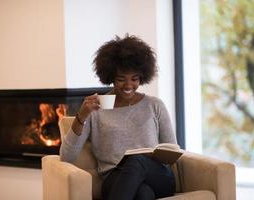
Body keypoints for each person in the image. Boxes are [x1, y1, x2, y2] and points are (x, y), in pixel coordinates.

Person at [60, 35, 177, 200]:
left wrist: (153, 156)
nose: (128, 85)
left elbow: (172, 150)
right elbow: (67, 156)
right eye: (121, 79)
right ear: (111, 78)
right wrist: (82, 115)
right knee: (143, 194)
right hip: (114, 178)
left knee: (137, 161)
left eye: (134, 79)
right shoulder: (96, 109)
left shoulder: (154, 105)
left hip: (157, 176)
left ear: (142, 77)